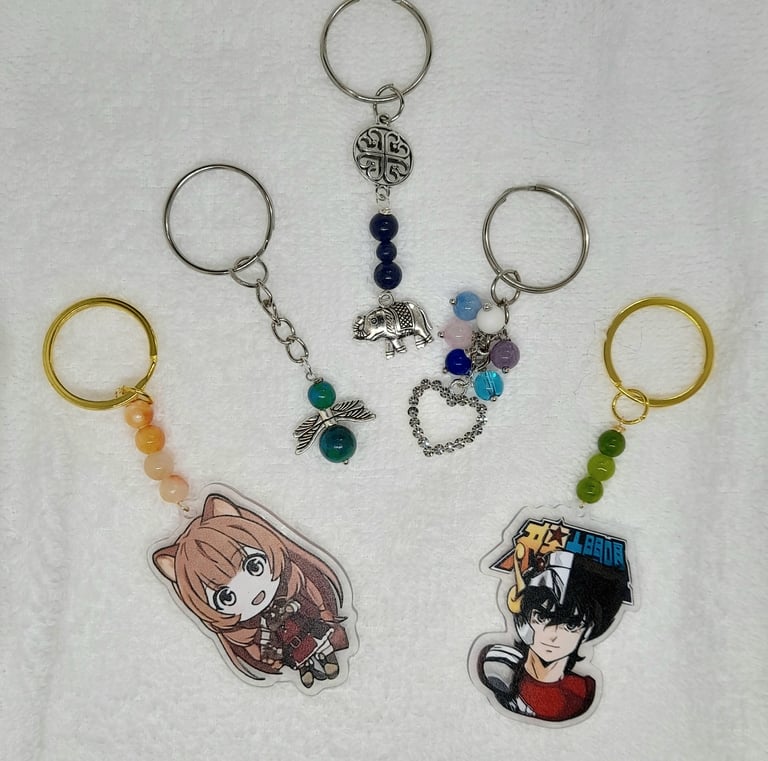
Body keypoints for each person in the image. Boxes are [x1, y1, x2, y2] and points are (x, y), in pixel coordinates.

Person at [153, 492, 349, 689]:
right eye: (226, 597)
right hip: (289, 642)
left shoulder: (291, 593)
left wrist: (322, 609)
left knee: (319, 641)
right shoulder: (262, 625)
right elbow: (257, 644)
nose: (253, 593)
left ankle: (329, 660)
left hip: (304, 625)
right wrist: (268, 658)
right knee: (300, 655)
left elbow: (307, 586)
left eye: (254, 567)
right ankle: (307, 670)